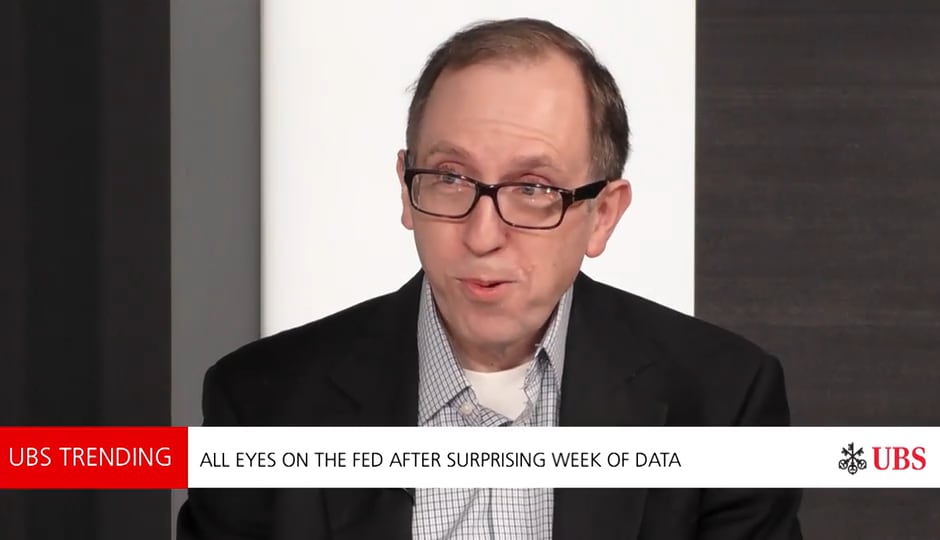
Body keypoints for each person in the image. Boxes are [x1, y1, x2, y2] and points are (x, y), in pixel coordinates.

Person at [178, 17, 802, 540]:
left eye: (533, 188)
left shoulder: (723, 403)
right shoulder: (261, 404)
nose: (482, 235)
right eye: (450, 178)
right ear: (406, 189)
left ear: (602, 215)